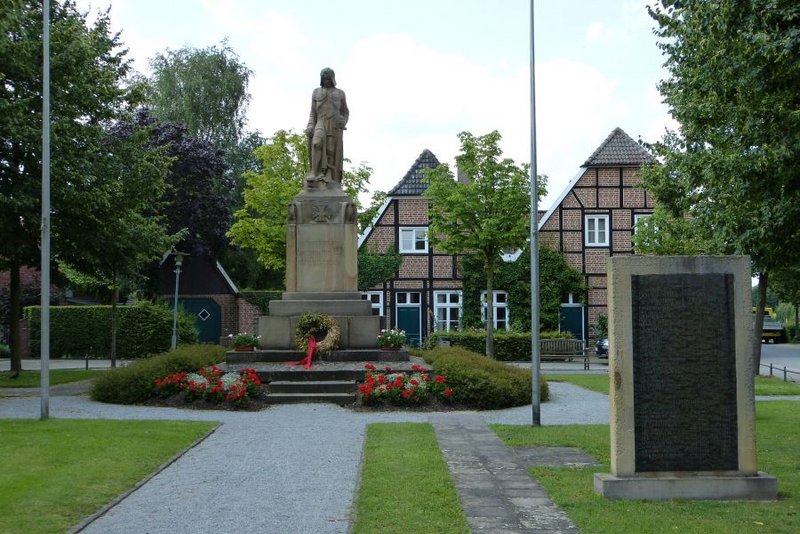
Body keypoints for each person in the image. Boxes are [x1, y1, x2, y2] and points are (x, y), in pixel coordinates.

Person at [305, 68, 349, 184]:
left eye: (329, 79)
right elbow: (313, 112)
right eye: (324, 79)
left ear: (333, 79)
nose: (326, 81)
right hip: (320, 121)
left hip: (334, 124)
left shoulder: (340, 93)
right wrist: (310, 125)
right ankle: (314, 172)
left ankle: (329, 174)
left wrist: (343, 122)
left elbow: (345, 112)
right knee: (316, 143)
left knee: (330, 149)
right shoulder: (316, 92)